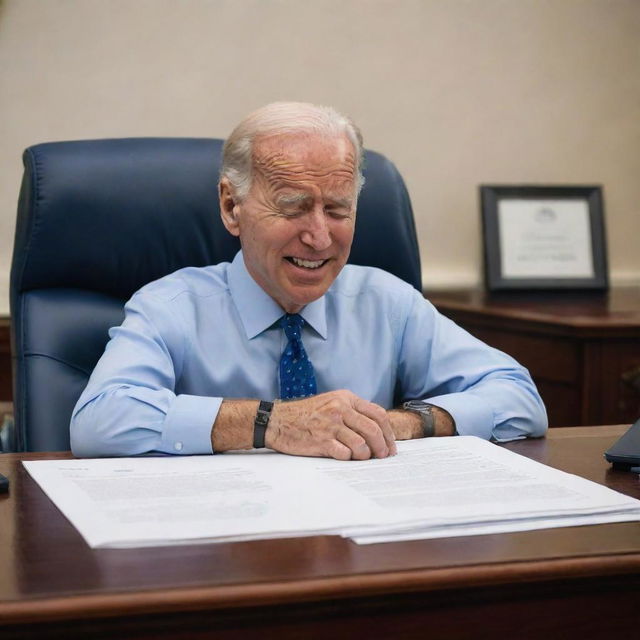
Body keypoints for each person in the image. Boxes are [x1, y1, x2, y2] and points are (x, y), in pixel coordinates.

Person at [70, 101, 547, 460]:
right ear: (231, 207)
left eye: (338, 209)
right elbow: (99, 421)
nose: (319, 238)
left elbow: (520, 399)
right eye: (293, 207)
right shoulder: (170, 306)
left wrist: (403, 423)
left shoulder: (386, 302)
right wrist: (272, 423)